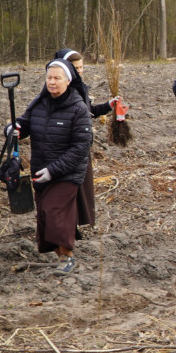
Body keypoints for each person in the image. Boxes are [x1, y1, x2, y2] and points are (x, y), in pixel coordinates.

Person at [11, 59, 92, 274]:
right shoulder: (40, 103)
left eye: (57, 78)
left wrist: (53, 170)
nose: (52, 82)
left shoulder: (78, 108)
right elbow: (26, 123)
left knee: (54, 210)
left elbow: (81, 147)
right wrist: (15, 128)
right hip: (41, 167)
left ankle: (68, 258)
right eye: (49, 77)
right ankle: (61, 256)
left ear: (68, 81)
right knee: (45, 217)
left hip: (67, 172)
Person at [55, 49, 120, 232]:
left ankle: (73, 227)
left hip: (81, 147)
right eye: (76, 68)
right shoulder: (62, 92)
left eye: (82, 67)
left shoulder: (80, 88)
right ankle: (66, 228)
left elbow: (89, 112)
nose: (80, 71)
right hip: (68, 148)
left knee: (80, 189)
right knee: (67, 189)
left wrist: (109, 105)